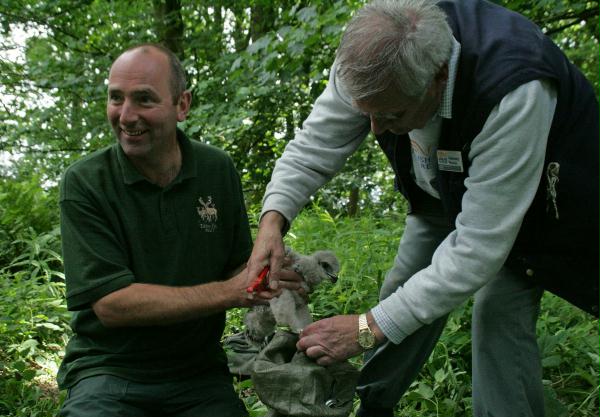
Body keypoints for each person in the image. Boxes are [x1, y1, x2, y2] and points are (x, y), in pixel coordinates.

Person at [246, 1, 600, 416]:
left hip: (533, 207)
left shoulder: (513, 89)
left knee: (497, 313)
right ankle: (366, 405)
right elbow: (314, 146)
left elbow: (477, 249)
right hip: (439, 194)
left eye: (391, 113)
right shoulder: (367, 60)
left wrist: (365, 329)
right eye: (367, 113)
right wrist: (273, 222)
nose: (374, 130)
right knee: (400, 291)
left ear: (440, 76)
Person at [57, 43, 299, 417]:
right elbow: (111, 305)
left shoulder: (217, 169)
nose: (126, 115)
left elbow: (237, 268)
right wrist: (230, 292)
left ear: (182, 105)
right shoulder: (86, 182)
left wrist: (272, 278)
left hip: (198, 375)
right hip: (108, 371)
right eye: (116, 98)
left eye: (143, 100)